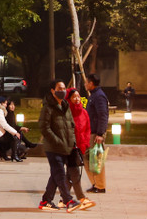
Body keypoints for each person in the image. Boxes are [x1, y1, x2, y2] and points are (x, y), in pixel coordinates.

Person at [37, 80, 80, 212]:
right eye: (59, 88)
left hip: (65, 147)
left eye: (64, 88)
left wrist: (72, 142)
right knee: (60, 173)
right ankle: (68, 199)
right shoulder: (48, 107)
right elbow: (44, 127)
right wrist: (57, 141)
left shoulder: (65, 105)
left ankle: (46, 200)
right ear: (52, 90)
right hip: (53, 147)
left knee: (55, 175)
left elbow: (70, 125)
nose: (63, 91)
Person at [66, 88, 97, 211]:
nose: (77, 99)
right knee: (74, 173)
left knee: (68, 174)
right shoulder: (66, 112)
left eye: (78, 96)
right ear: (69, 99)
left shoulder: (83, 112)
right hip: (69, 147)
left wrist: (85, 143)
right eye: (74, 97)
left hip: (80, 147)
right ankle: (82, 198)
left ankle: (64, 199)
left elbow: (87, 129)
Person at [85, 73, 109, 194]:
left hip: (96, 134)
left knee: (96, 159)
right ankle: (95, 184)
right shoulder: (93, 95)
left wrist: (100, 133)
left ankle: (100, 186)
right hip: (91, 132)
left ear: (91, 83)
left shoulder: (99, 97)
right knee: (89, 159)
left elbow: (102, 115)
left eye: (86, 82)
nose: (85, 84)